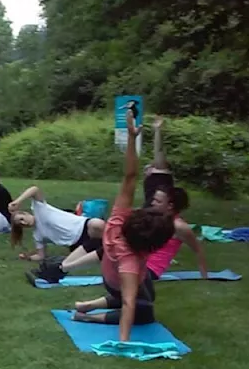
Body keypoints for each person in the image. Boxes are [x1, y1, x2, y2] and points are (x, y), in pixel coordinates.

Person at [71, 111, 177, 338]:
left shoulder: (118, 222)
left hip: (117, 274)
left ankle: (87, 304)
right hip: (116, 282)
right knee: (143, 311)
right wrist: (124, 342)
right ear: (152, 244)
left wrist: (132, 137)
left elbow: (130, 177)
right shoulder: (130, 259)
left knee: (145, 295)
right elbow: (128, 304)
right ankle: (88, 316)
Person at [8, 186, 106, 283]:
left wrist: (17, 201)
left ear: (26, 214)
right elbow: (41, 256)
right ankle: (49, 274)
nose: (24, 223)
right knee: (68, 263)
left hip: (84, 227)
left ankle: (115, 238)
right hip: (77, 244)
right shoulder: (37, 235)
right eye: (21, 224)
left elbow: (35, 190)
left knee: (97, 224)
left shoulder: (39, 209)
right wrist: (28, 257)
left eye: (22, 219)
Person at [146, 184, 209, 280]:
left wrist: (205, 277)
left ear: (170, 206)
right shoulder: (154, 217)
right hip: (137, 263)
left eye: (158, 201)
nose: (152, 203)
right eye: (154, 199)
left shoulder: (179, 226)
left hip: (150, 269)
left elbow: (198, 250)